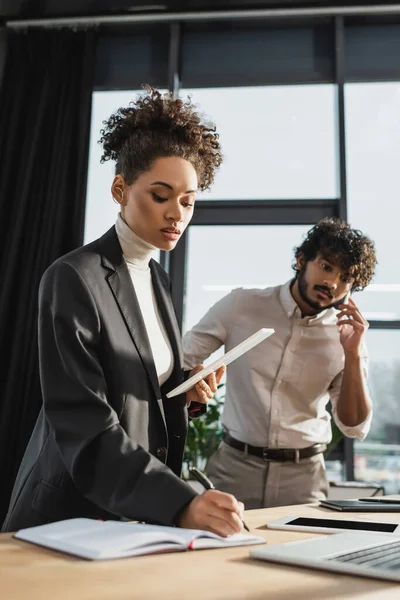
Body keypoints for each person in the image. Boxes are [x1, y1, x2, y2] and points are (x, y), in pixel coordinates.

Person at [2, 87, 245, 536]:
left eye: (188, 201)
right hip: (68, 517)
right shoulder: (72, 277)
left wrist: (183, 392)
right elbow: (86, 422)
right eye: (161, 195)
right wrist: (180, 503)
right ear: (120, 189)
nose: (177, 214)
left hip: (133, 518)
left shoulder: (157, 279)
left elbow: (135, 390)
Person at [183, 217, 377, 509]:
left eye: (345, 278)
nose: (332, 283)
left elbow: (353, 425)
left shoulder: (347, 337)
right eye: (326, 266)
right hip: (235, 469)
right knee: (216, 551)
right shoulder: (242, 305)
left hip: (304, 478)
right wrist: (194, 383)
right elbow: (182, 357)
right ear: (302, 260)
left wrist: (353, 353)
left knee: (300, 552)